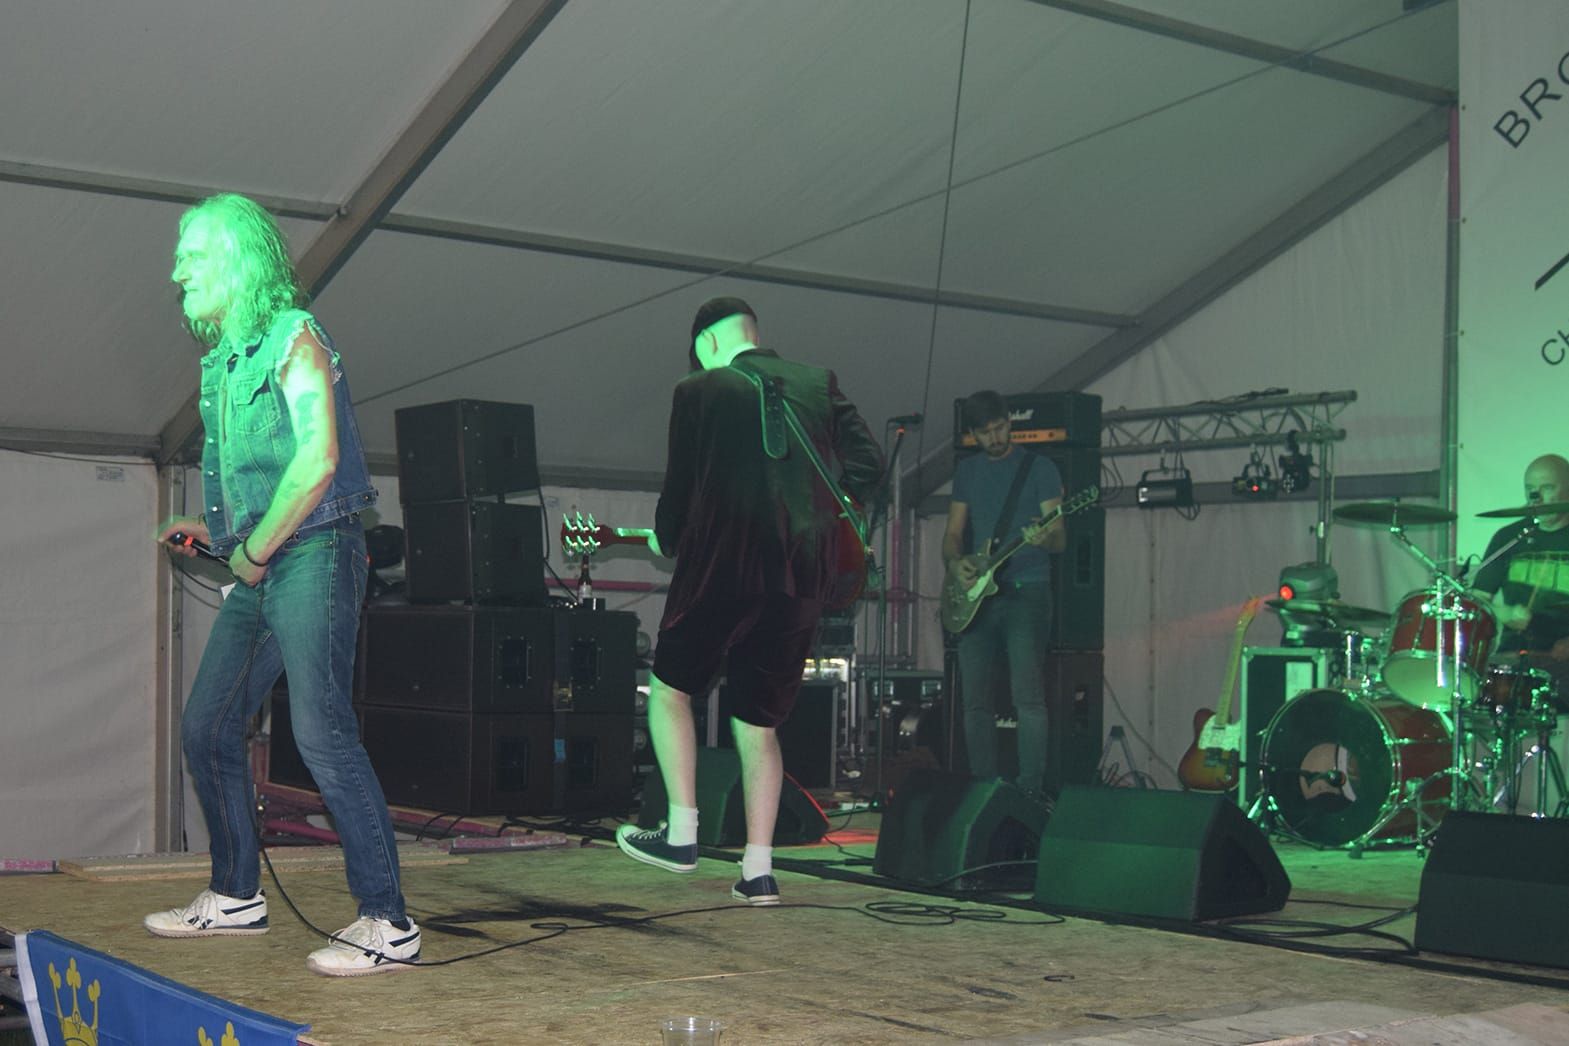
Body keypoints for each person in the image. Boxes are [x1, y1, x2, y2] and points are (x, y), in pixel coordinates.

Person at [146, 193, 417, 976]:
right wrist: (217, 533)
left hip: (315, 553)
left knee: (322, 732)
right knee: (207, 727)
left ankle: (388, 921)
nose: (177, 272)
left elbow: (318, 459)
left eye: (192, 255)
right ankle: (236, 895)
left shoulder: (296, 336)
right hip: (266, 558)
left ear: (236, 259)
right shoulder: (223, 364)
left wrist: (255, 551)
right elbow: (266, 487)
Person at [616, 297, 883, 904]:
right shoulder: (818, 383)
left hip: (724, 565)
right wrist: (815, 509)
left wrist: (671, 536)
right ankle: (758, 872)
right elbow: (869, 464)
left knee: (670, 689)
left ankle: (681, 834)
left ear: (708, 342)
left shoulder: (698, 390)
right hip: (802, 576)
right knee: (758, 722)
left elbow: (680, 486)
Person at [942, 390, 1065, 797]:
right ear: (973, 434)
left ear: (1010, 422)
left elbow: (1059, 537)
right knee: (974, 701)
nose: (994, 438)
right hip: (979, 595)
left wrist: (1044, 537)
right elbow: (953, 534)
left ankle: (1029, 792)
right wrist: (955, 564)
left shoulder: (1040, 468)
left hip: (1027, 590)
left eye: (999, 428)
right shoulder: (968, 472)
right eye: (985, 433)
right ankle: (983, 789)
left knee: (1027, 697)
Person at [1474, 454, 1569, 657]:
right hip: (1516, 653)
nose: (1537, 497)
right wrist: (1504, 613)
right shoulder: (1509, 537)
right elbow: (1477, 599)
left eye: (1548, 488)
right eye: (1530, 488)